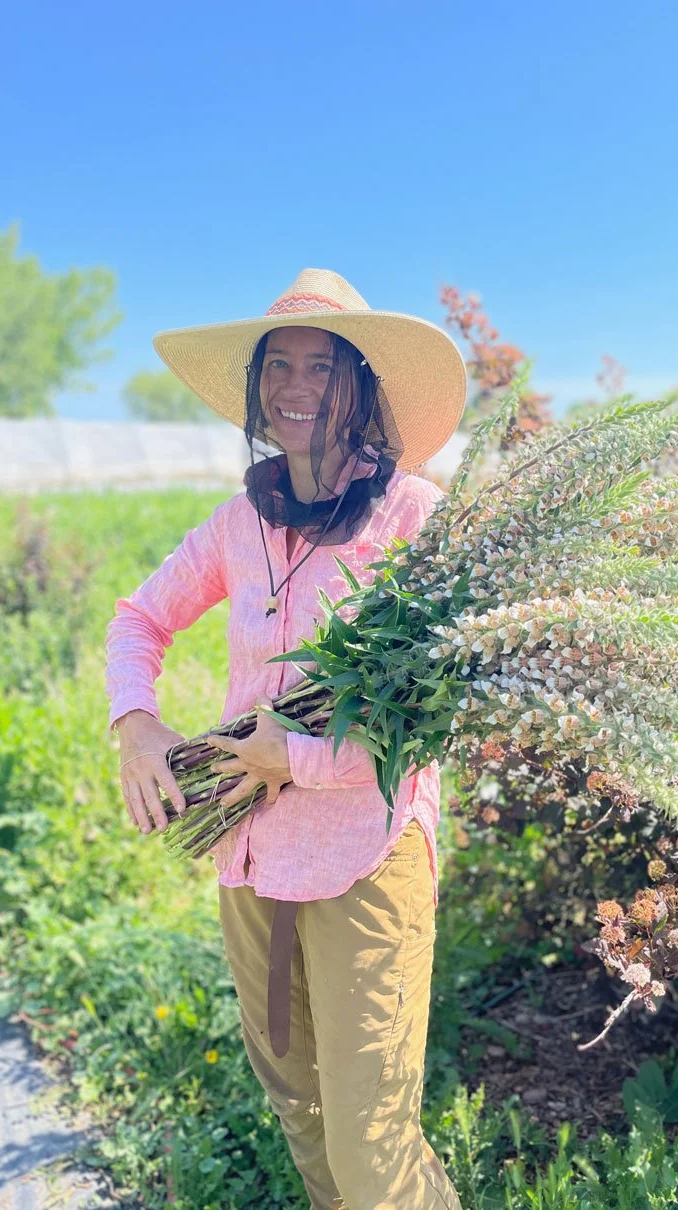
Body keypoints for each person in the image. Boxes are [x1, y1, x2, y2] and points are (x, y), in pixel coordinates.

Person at [105, 268, 466, 1209]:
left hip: (363, 859)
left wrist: (292, 757)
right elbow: (137, 619)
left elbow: (425, 717)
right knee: (300, 1108)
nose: (294, 387)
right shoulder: (238, 523)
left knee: (372, 1142)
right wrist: (136, 726)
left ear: (358, 387)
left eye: (320, 367)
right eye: (278, 367)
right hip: (251, 857)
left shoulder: (410, 518)